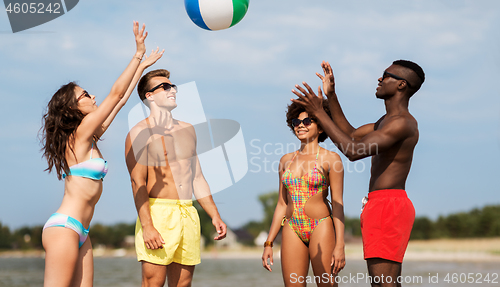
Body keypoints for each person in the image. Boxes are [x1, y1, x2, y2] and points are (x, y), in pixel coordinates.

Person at [40, 22, 163, 287]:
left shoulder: (89, 136)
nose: (93, 95)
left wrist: (141, 68)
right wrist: (137, 54)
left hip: (82, 231)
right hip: (64, 228)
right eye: (85, 95)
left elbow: (118, 101)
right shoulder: (80, 135)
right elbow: (114, 93)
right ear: (73, 107)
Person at [291, 60, 425, 287]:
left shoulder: (402, 123)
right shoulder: (384, 122)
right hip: (378, 204)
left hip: (389, 205)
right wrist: (331, 97)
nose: (379, 79)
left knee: (384, 283)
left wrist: (318, 113)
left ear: (402, 85)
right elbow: (351, 135)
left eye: (386, 75)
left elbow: (353, 151)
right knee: (382, 282)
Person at [125, 69, 227, 287]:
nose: (172, 90)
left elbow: (197, 177)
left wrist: (215, 215)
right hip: (158, 213)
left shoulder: (188, 129)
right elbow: (137, 182)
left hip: (187, 212)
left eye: (172, 86)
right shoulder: (140, 132)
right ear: (149, 96)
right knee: (154, 283)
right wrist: (147, 226)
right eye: (164, 87)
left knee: (183, 284)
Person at [261, 100, 346, 287]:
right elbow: (282, 204)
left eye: (307, 121)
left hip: (321, 225)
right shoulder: (286, 160)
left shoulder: (331, 159)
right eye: (296, 122)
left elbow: (338, 204)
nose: (300, 125)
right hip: (292, 227)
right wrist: (268, 243)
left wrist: (340, 245)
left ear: (321, 127)